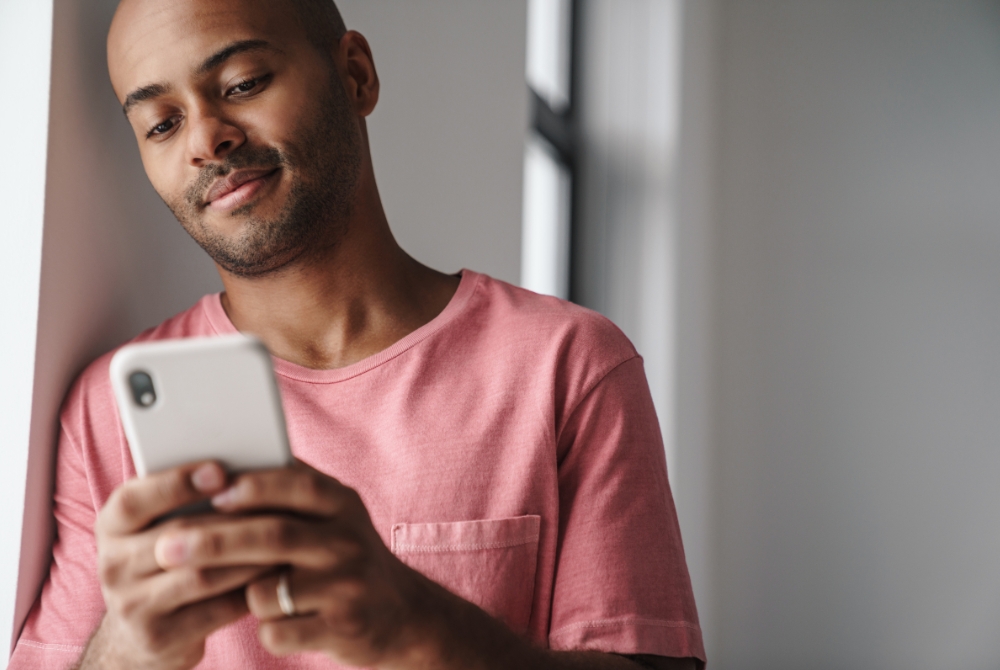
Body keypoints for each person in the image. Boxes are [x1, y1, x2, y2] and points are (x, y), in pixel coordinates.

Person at [9, 0, 705, 668]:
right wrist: (129, 653)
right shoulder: (108, 414)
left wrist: (413, 624)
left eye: (243, 83)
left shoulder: (569, 366)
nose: (205, 139)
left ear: (356, 76)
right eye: (161, 124)